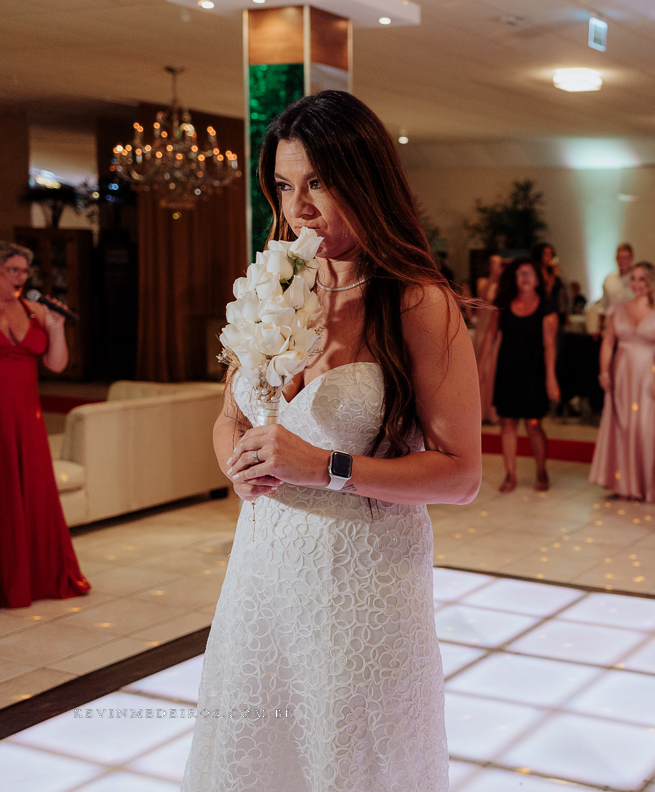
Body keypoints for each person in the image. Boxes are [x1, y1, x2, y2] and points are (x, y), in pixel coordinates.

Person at [187, 91, 481, 792]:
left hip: (362, 582)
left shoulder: (415, 301)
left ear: (364, 177)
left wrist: (325, 466)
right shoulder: (277, 281)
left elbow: (461, 475)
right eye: (286, 186)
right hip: (264, 574)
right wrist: (237, 460)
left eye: (317, 182)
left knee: (349, 762)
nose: (299, 208)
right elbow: (230, 413)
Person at [0, 243, 90, 609]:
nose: (20, 278)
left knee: (32, 490)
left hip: (27, 417)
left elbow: (55, 364)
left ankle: (35, 576)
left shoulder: (34, 310)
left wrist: (55, 327)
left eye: (24, 272)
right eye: (12, 271)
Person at [590, 263, 655, 501]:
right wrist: (604, 372)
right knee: (623, 426)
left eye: (642, 279)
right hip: (622, 376)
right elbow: (608, 342)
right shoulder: (618, 309)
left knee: (646, 428)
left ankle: (647, 485)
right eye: (634, 279)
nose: (637, 284)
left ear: (651, 282)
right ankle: (623, 484)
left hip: (648, 376)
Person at [492, 257, 560, 493]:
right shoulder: (504, 304)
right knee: (507, 423)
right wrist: (483, 371)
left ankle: (541, 470)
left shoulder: (546, 307)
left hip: (533, 371)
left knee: (533, 425)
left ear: (537, 278)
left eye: (530, 273)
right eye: (520, 273)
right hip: (508, 370)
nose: (525, 278)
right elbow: (492, 340)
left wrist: (551, 377)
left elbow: (550, 345)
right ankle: (510, 474)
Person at [472, 253, 504, 423]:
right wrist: (492, 278)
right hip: (482, 329)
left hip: (496, 329)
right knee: (481, 367)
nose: (495, 266)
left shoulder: (503, 285)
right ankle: (480, 411)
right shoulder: (483, 282)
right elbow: (481, 298)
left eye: (498, 264)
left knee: (493, 368)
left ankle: (492, 412)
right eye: (492, 263)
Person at [586, 242, 636, 335]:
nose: (623, 261)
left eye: (626, 257)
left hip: (632, 328)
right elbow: (603, 305)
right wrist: (599, 327)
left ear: (631, 258)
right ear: (616, 258)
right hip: (611, 328)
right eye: (620, 257)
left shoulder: (637, 279)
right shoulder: (609, 279)